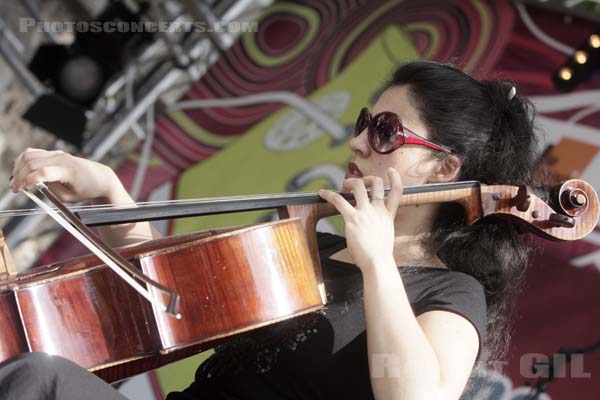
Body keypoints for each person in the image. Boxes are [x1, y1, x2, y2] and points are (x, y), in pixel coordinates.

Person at [3, 60, 539, 400]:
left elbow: (416, 395)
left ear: (445, 168)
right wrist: (110, 196)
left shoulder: (452, 293)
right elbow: (171, 299)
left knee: (38, 381)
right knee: (34, 378)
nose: (356, 143)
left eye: (386, 132)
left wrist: (377, 261)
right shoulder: (310, 246)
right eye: (363, 124)